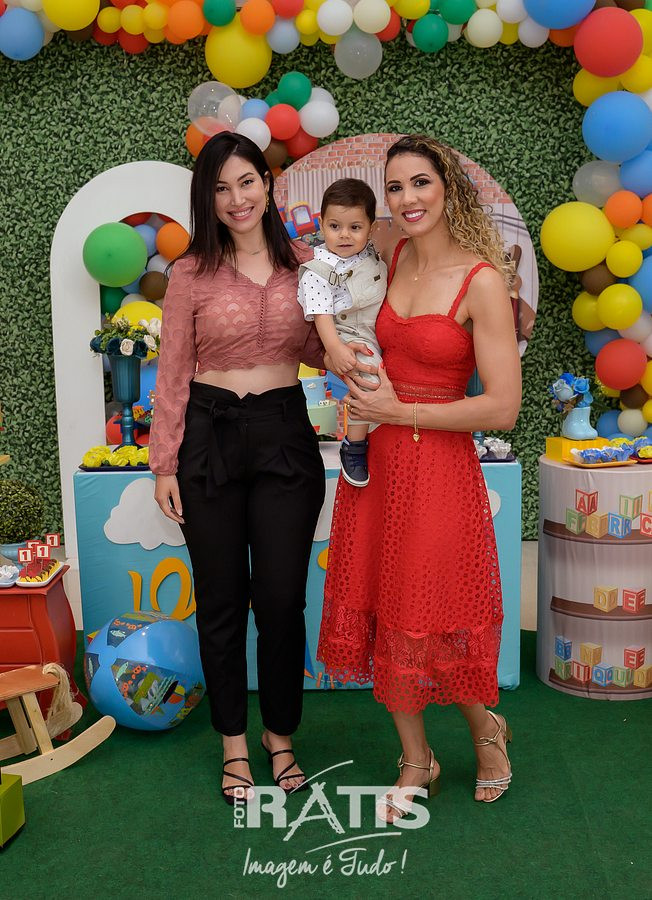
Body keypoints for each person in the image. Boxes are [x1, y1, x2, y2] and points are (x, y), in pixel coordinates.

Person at [149, 133, 369, 805]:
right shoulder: (190, 273)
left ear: (268, 185)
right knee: (220, 600)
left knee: (280, 598)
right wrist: (164, 465)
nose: (236, 198)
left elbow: (324, 348)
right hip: (207, 439)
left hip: (283, 436)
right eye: (220, 188)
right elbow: (173, 374)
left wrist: (359, 348)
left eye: (246, 181)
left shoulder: (305, 264)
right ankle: (233, 744)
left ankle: (280, 735)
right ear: (207, 198)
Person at [317, 134, 522, 821]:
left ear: (448, 188)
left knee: (436, 610)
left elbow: (503, 406)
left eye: (421, 183)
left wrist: (399, 410)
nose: (407, 198)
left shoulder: (481, 281)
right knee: (384, 605)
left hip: (438, 469)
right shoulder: (389, 255)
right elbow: (328, 291)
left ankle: (487, 732)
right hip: (376, 463)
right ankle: (416, 759)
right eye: (395, 186)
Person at [297, 178, 387, 487]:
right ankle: (355, 445)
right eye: (335, 226)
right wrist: (335, 348)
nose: (344, 235)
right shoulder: (318, 269)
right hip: (348, 333)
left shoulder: (370, 255)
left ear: (371, 228)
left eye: (355, 227)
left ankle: (383, 430)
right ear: (322, 224)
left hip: (377, 325)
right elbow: (322, 315)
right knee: (368, 377)